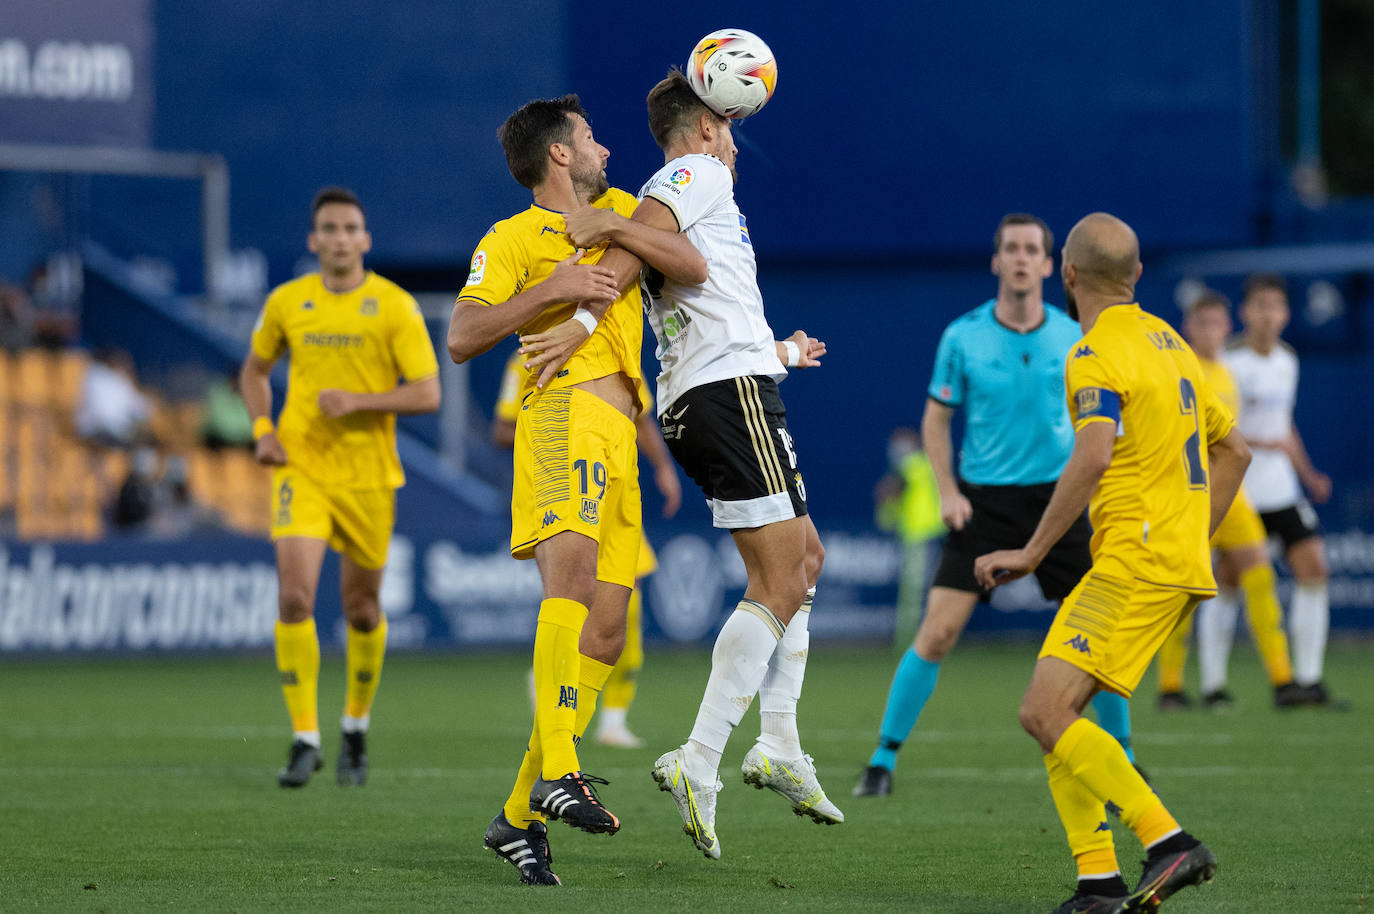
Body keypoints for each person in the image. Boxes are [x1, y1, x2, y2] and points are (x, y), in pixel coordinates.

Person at [535, 71, 841, 861]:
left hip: (725, 389)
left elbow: (649, 259)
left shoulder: (673, 202)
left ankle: (779, 737)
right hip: (724, 395)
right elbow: (682, 261)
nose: (736, 143)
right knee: (779, 583)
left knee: (806, 560)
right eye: (729, 128)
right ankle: (702, 758)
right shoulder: (693, 172)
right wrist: (606, 232)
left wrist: (581, 317)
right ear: (703, 127)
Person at [446, 94, 705, 886]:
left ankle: (519, 815)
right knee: (572, 585)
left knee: (609, 627)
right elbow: (461, 336)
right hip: (561, 415)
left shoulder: (626, 211)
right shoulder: (514, 238)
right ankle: (560, 765)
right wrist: (548, 291)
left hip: (622, 431)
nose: (604, 148)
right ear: (558, 154)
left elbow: (691, 262)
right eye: (590, 138)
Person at [974, 212, 1250, 913]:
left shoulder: (1093, 353)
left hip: (1135, 559)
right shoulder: (1175, 346)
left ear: (1066, 275)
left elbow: (1094, 454)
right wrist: (1194, 534)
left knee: (1042, 710)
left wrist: (1033, 551)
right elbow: (1235, 452)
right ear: (1138, 277)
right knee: (1056, 709)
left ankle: (1169, 841)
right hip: (1169, 559)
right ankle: (1097, 880)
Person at [853, 215, 1139, 800]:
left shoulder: (1073, 335)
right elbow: (936, 418)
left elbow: (1109, 425)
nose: (1019, 258)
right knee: (936, 634)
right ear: (995, 260)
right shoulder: (963, 336)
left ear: (1051, 265)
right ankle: (882, 761)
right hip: (983, 505)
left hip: (1058, 503)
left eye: (1031, 249)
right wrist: (949, 492)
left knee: (1098, 641)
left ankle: (1126, 760)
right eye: (1010, 248)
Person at [239, 187, 440, 789]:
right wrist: (262, 429)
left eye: (350, 228)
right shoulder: (287, 302)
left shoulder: (394, 306)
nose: (340, 237)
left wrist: (361, 401)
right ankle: (305, 738)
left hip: (369, 477)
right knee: (295, 599)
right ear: (313, 239)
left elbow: (427, 393)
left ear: (365, 239)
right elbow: (253, 370)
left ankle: (354, 727)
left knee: (362, 609)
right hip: (301, 469)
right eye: (329, 228)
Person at [491, 349, 683, 748]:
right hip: (562, 479)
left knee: (624, 607)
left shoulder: (616, 348)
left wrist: (663, 468)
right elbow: (501, 430)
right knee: (574, 599)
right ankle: (558, 695)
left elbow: (640, 415)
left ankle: (613, 720)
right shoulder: (527, 355)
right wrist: (561, 419)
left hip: (612, 479)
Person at [1154, 291, 1302, 709]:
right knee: (1183, 589)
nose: (1211, 331)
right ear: (1188, 328)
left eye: (1217, 323)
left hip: (1230, 494)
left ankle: (1283, 679)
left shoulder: (1226, 372)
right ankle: (1169, 686)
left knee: (1259, 575)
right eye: (1202, 323)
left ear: (1226, 327)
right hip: (1188, 493)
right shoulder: (1179, 369)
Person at [1224, 274, 1341, 706]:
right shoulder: (1229, 364)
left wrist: (1308, 475)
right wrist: (1259, 444)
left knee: (1315, 567)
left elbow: (1284, 426)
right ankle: (1213, 685)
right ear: (1245, 312)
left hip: (1282, 487)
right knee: (1227, 581)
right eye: (1260, 305)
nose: (1268, 314)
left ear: (1286, 314)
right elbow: (1216, 431)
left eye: (1276, 306)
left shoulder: (1287, 361)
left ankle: (1309, 679)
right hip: (1241, 490)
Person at [873, 427, 944, 649]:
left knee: (913, 593)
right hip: (933, 532)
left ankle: (910, 641)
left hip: (918, 534)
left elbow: (890, 493)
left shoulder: (909, 466)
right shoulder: (925, 464)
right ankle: (928, 638)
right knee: (932, 589)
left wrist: (885, 515)